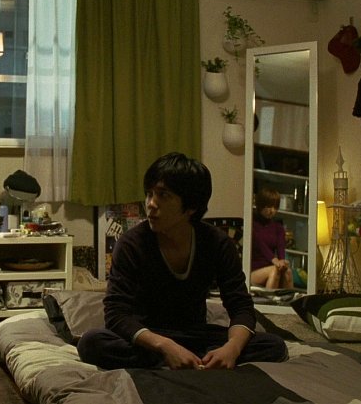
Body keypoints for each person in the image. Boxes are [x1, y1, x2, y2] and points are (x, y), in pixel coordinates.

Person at [77, 152, 287, 371]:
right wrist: (165, 346)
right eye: (149, 194)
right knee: (91, 342)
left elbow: (240, 305)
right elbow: (116, 313)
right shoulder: (132, 244)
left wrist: (232, 349)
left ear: (191, 206)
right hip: (149, 337)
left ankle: (195, 359)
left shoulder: (217, 243)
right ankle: (180, 359)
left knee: (274, 345)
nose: (151, 204)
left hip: (195, 334)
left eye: (163, 195)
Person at [250, 187, 293, 289]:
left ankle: (287, 298)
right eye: (268, 206)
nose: (272, 210)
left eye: (275, 207)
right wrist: (274, 260)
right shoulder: (252, 224)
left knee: (287, 272)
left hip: (273, 266)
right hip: (253, 270)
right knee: (274, 271)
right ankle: (270, 298)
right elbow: (260, 245)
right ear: (261, 205)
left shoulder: (278, 227)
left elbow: (281, 247)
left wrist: (282, 262)